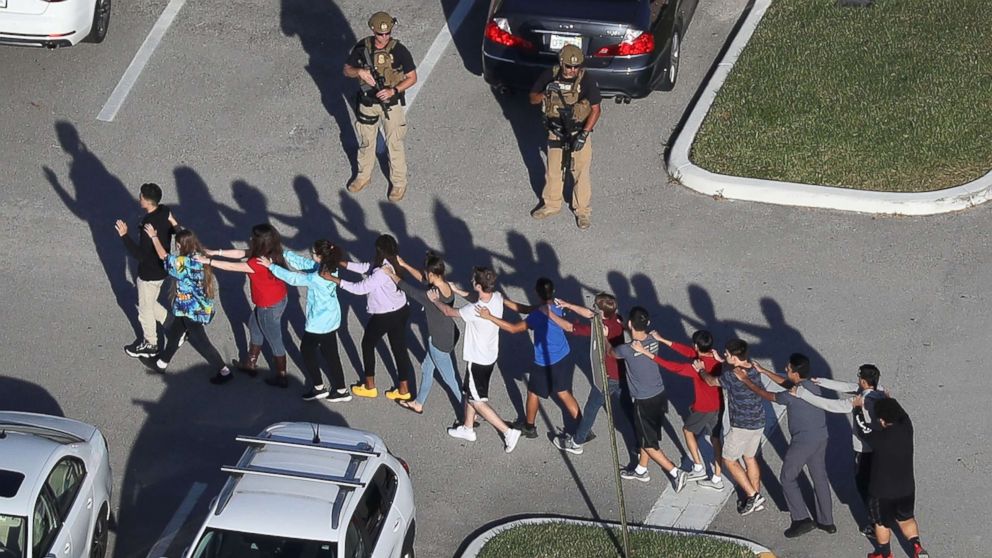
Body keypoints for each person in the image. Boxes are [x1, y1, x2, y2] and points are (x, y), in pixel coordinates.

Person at [734, 354, 835, 537]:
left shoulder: (790, 395)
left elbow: (766, 394)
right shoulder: (811, 386)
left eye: (788, 369)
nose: (786, 370)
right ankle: (827, 521)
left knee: (787, 478)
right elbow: (787, 383)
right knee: (819, 477)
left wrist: (746, 380)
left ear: (796, 373)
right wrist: (763, 371)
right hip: (821, 436)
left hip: (803, 442)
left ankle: (801, 519)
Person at [429, 267, 521, 452]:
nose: (471, 282)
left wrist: (435, 300)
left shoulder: (474, 310)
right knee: (470, 394)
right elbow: (475, 298)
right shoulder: (495, 297)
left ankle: (507, 431)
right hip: (489, 356)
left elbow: (448, 311)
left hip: (477, 360)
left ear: (479, 285)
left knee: (477, 400)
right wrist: (458, 291)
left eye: (473, 281)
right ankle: (468, 428)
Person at [478, 278, 581, 442]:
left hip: (544, 363)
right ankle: (582, 429)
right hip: (563, 356)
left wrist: (489, 317)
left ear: (536, 293)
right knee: (564, 393)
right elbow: (525, 309)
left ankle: (529, 426)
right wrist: (502, 300)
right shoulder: (557, 306)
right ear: (552, 291)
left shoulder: (537, 315)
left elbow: (513, 328)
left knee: (533, 392)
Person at [793, 364, 887, 538]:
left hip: (863, 451)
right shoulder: (880, 391)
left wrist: (802, 393)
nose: (857, 381)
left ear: (864, 381)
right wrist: (822, 382)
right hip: (880, 448)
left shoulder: (859, 403)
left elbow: (829, 405)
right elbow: (849, 387)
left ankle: (876, 524)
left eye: (859, 378)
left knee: (865, 488)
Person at [258, 240, 351, 402]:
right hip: (332, 318)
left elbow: (293, 279)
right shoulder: (330, 267)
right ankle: (341, 389)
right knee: (332, 355)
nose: (311, 255)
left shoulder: (316, 277)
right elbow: (305, 264)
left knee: (307, 352)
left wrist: (271, 266)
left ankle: (318, 387)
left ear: (320, 256)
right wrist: (285, 254)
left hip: (318, 323)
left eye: (313, 253)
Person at [632, 329, 725, 490]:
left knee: (687, 430)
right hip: (718, 405)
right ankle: (717, 477)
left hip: (704, 408)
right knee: (716, 439)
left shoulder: (697, 367)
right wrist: (662, 338)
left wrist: (645, 352)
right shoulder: (714, 358)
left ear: (696, 345)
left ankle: (698, 467)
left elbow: (672, 366)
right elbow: (687, 352)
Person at [140, 224, 232, 384]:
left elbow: (164, 257)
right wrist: (174, 222)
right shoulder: (199, 256)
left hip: (190, 311)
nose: (176, 247)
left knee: (203, 343)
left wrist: (154, 237)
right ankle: (161, 363)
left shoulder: (183, 263)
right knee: (175, 334)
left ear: (181, 245)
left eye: (177, 244)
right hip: (197, 307)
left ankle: (224, 370)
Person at [202, 225, 290, 387]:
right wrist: (216, 252)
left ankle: (282, 376)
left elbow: (232, 266)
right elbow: (241, 253)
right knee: (254, 327)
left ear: (260, 242)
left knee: (275, 340)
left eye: (253, 238)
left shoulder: (257, 263)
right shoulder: (271, 251)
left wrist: (208, 260)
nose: (250, 239)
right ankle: (250, 364)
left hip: (267, 306)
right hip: (277, 299)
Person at [343, 11, 418, 202]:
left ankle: (399, 183)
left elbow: (412, 77)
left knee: (394, 144)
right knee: (367, 141)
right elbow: (347, 70)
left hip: (390, 105)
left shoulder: (399, 50)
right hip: (368, 103)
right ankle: (363, 176)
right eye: (380, 34)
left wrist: (394, 91)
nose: (384, 37)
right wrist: (360, 71)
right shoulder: (362, 47)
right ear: (372, 31)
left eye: (387, 33)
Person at [611, 307, 688, 492]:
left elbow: (612, 353)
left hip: (643, 400)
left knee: (648, 442)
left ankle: (675, 472)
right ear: (648, 324)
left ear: (629, 324)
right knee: (646, 435)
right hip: (659, 394)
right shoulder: (654, 340)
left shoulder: (626, 349)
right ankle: (641, 469)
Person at [544, 294, 632, 455]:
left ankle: (577, 442)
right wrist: (568, 304)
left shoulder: (599, 329)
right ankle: (642, 444)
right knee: (628, 407)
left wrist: (549, 314)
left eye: (595, 306)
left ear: (601, 312)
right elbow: (590, 314)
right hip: (621, 372)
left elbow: (570, 327)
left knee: (591, 408)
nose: (592, 308)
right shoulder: (615, 319)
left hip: (607, 377)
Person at [329, 234, 413, 400]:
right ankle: (404, 389)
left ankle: (369, 385)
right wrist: (341, 263)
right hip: (401, 310)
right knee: (398, 348)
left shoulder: (381, 272)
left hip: (385, 315)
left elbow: (360, 288)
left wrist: (334, 279)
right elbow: (365, 267)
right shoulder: (392, 263)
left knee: (367, 344)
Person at [529, 44, 602, 230]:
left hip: (578, 131)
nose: (572, 70)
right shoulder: (550, 75)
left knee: (581, 171)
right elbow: (532, 98)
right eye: (569, 66)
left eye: (576, 67)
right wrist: (546, 92)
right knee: (554, 169)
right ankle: (552, 204)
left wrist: (584, 135)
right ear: (561, 63)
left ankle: (583, 211)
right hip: (556, 130)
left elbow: (595, 110)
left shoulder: (586, 80)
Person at [384, 252, 464, 418]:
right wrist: (404, 264)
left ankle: (468, 412)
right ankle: (418, 403)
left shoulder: (431, 296)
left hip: (438, 341)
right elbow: (422, 278)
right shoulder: (446, 286)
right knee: (427, 368)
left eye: (427, 273)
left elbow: (410, 290)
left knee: (451, 379)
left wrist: (391, 274)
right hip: (449, 334)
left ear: (433, 274)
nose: (425, 275)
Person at [697, 339, 766, 515]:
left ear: (735, 358)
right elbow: (733, 369)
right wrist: (722, 360)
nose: (724, 355)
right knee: (749, 458)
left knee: (729, 459)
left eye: (727, 354)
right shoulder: (753, 367)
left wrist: (701, 370)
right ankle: (755, 494)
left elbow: (712, 382)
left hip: (741, 425)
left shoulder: (731, 376)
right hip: (758, 422)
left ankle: (752, 496)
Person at [854, 398, 930, 558]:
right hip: (906, 488)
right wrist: (887, 399)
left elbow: (863, 430)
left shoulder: (878, 439)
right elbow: (901, 413)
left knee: (881, 523)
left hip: (882, 492)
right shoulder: (907, 427)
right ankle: (917, 547)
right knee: (906, 519)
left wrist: (857, 410)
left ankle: (884, 553)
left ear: (882, 420)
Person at [115, 182, 177, 358]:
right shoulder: (164, 211)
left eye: (141, 196)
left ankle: (151, 344)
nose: (139, 198)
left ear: (148, 201)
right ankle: (174, 327)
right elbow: (173, 228)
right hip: (162, 268)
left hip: (148, 273)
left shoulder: (148, 224)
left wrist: (124, 235)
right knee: (149, 302)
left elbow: (140, 255)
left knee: (144, 310)